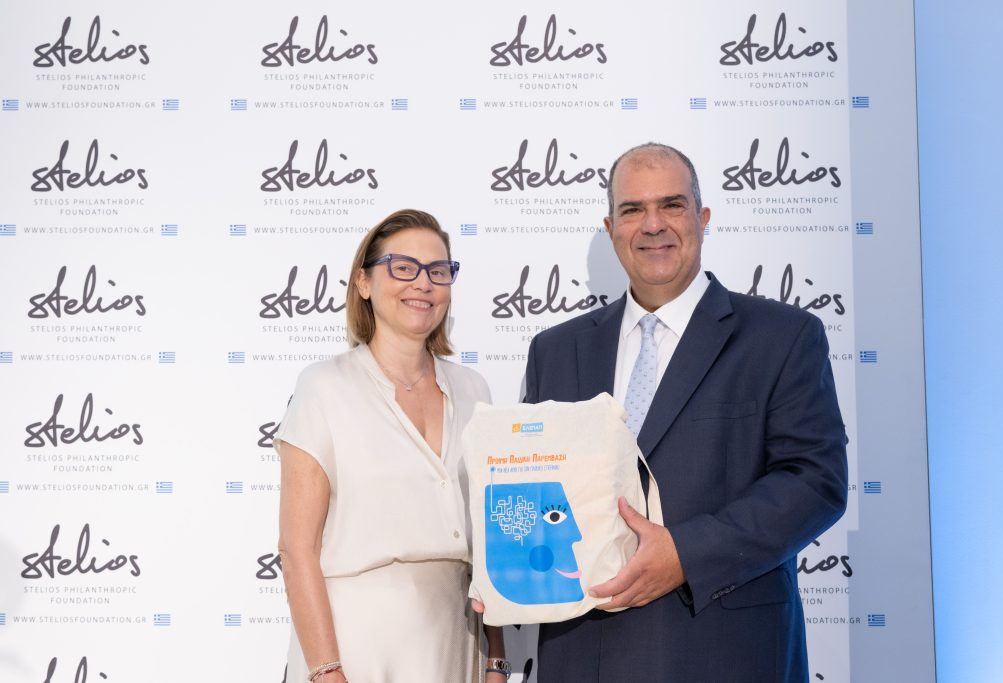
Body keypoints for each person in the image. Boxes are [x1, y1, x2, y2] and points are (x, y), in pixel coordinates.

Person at [523, 144, 849, 681]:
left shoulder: (783, 337)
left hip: (725, 650)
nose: (653, 224)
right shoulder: (556, 350)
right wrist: (509, 568)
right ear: (611, 228)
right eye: (632, 210)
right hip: (585, 650)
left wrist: (684, 554)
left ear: (702, 217)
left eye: (671, 205)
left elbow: (815, 483)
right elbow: (536, 486)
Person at [275, 209, 508, 683]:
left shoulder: (475, 391)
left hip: (456, 639)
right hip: (354, 644)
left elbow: (493, 544)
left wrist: (496, 659)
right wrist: (326, 671)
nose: (423, 283)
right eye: (403, 267)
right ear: (363, 282)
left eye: (438, 271)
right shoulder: (324, 387)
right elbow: (297, 550)